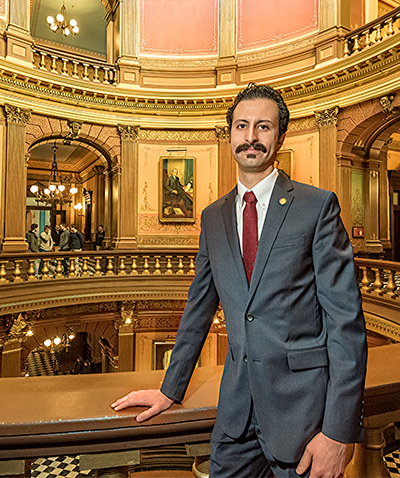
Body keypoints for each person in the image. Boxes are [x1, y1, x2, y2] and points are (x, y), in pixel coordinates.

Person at [113, 83, 367, 478]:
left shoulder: (316, 207)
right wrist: (169, 388)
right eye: (241, 126)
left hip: (304, 421)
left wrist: (337, 432)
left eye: (263, 127)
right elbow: (198, 309)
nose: (251, 137)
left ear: (280, 135)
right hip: (235, 421)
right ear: (229, 134)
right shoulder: (213, 217)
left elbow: (345, 325)